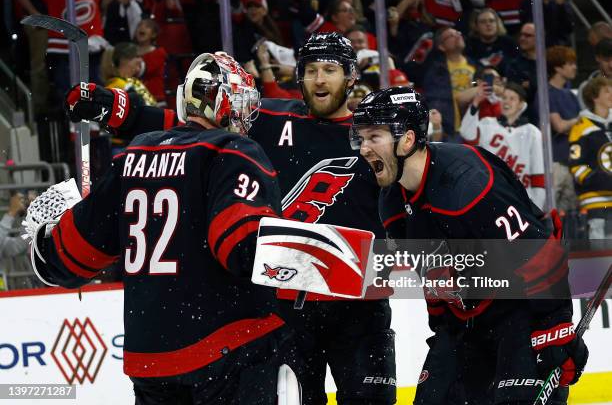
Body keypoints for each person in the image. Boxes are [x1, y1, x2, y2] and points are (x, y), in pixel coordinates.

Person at [65, 33, 397, 405]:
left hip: (360, 304)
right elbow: (189, 122)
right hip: (286, 304)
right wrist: (115, 106)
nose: (320, 79)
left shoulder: (378, 134)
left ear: (351, 77)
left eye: (330, 70)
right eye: (311, 70)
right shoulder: (263, 119)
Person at [26, 52, 299, 404]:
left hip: (150, 358)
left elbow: (66, 261)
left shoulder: (133, 155)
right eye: (241, 101)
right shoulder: (233, 150)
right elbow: (240, 248)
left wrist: (47, 237)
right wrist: (298, 258)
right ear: (223, 100)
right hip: (227, 346)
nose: (245, 114)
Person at [350, 85, 588, 404]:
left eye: (373, 137)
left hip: (518, 310)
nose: (364, 148)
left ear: (406, 139)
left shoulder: (466, 185)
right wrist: (441, 331)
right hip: (464, 320)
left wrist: (556, 330)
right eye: (360, 138)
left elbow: (538, 254)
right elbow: (432, 274)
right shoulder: (391, 200)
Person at [460, 82, 546, 209]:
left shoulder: (532, 132)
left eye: (512, 99)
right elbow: (467, 133)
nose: (507, 102)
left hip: (521, 200)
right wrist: (476, 102)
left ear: (521, 105)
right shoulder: (487, 124)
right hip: (490, 196)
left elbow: (538, 175)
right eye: (504, 98)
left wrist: (536, 208)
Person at [569, 76, 612, 239]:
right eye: (606, 91)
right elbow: (576, 165)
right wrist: (597, 179)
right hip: (595, 199)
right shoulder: (581, 128)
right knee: (599, 254)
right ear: (594, 97)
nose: (611, 94)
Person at [423, 26, 479, 139]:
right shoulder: (435, 70)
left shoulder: (475, 66)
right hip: (450, 131)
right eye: (450, 36)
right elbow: (434, 100)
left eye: (458, 32)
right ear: (441, 46)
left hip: (474, 126)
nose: (457, 36)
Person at [546, 45, 580, 212]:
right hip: (554, 162)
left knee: (571, 214)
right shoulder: (546, 93)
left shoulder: (571, 95)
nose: (575, 67)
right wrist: (580, 119)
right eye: (570, 63)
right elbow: (558, 126)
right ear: (558, 67)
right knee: (550, 212)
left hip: (571, 161)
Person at [464, 8, 519, 74]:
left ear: (497, 24)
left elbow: (518, 67)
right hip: (477, 82)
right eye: (483, 22)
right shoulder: (469, 44)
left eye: (492, 21)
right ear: (476, 26)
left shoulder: (509, 43)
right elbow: (467, 70)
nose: (488, 24)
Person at [134, 19, 168, 105]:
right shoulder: (130, 51)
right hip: (135, 98)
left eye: (147, 26)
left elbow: (142, 70)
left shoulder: (159, 53)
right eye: (139, 25)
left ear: (154, 34)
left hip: (155, 99)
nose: (142, 28)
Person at [578, 38, 612, 110]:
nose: (611, 65)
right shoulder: (586, 87)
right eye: (606, 60)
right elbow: (586, 117)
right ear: (597, 58)